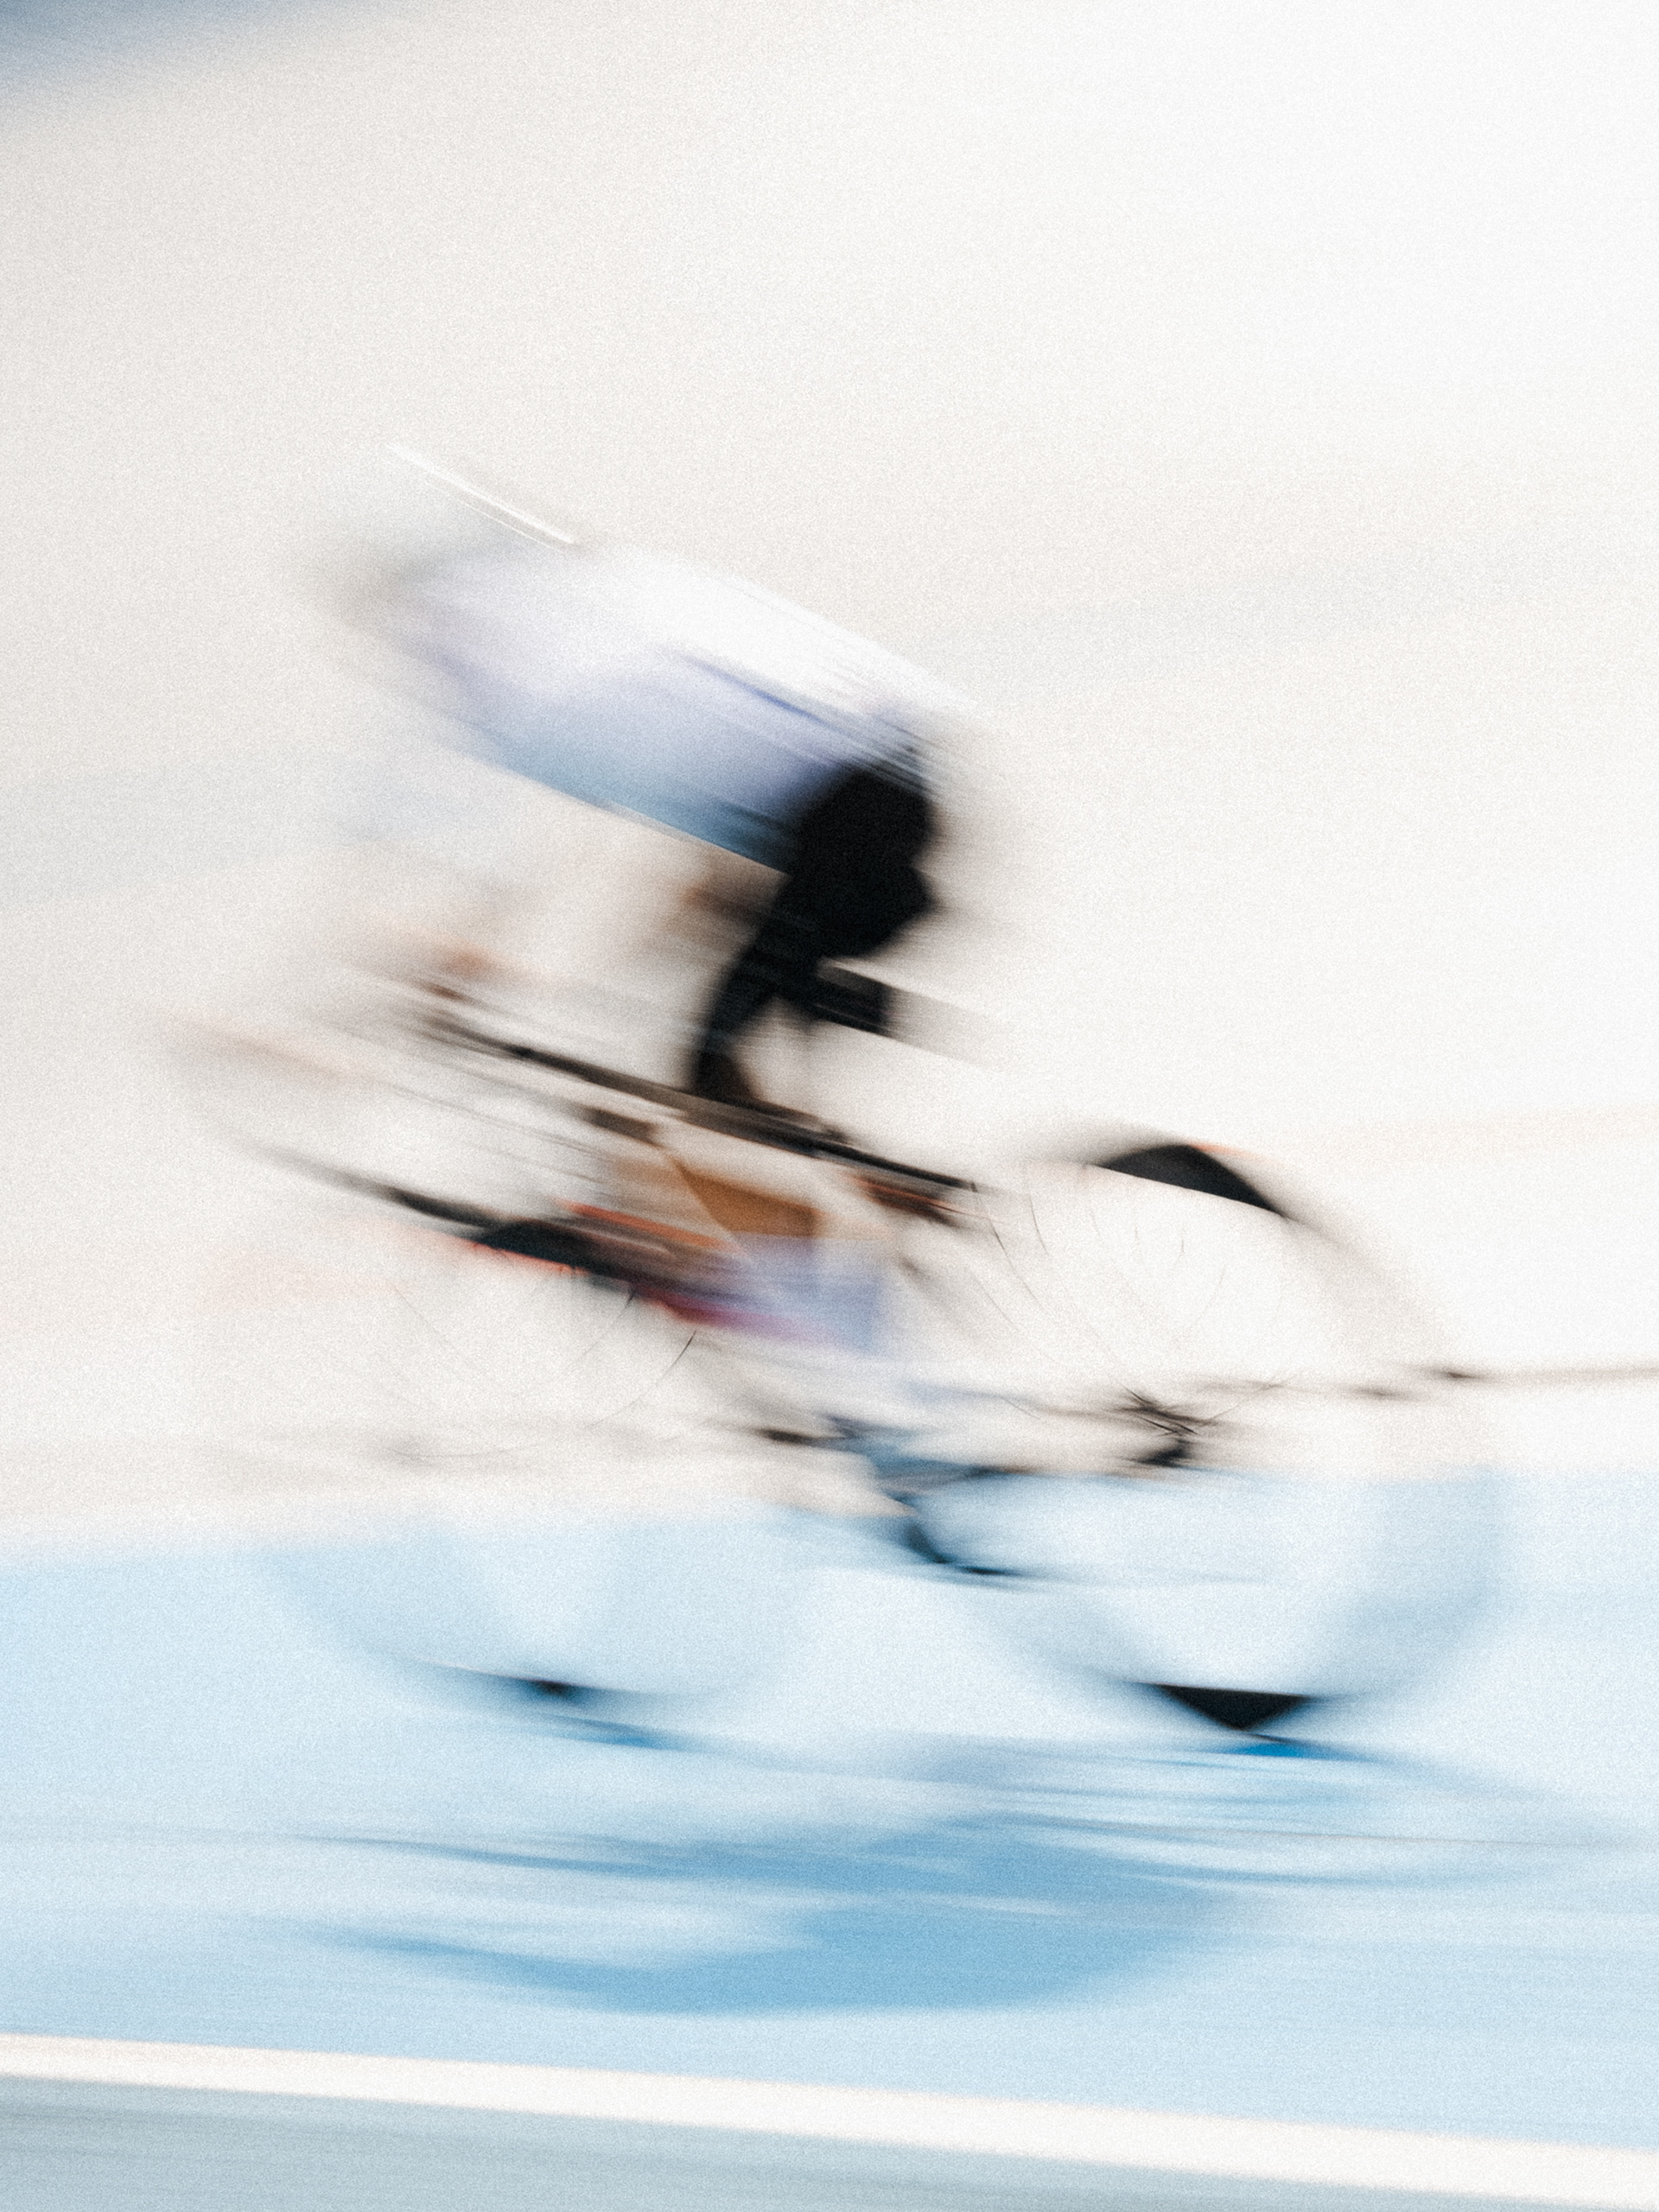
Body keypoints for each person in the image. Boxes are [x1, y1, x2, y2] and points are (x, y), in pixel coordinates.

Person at [380, 512, 949, 1113]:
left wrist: (495, 963)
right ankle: (791, 1062)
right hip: (868, 799)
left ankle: (775, 1074)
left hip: (854, 811)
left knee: (728, 1017)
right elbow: (678, 880)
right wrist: (515, 966)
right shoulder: (609, 666)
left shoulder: (567, 705)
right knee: (745, 975)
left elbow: (598, 865)